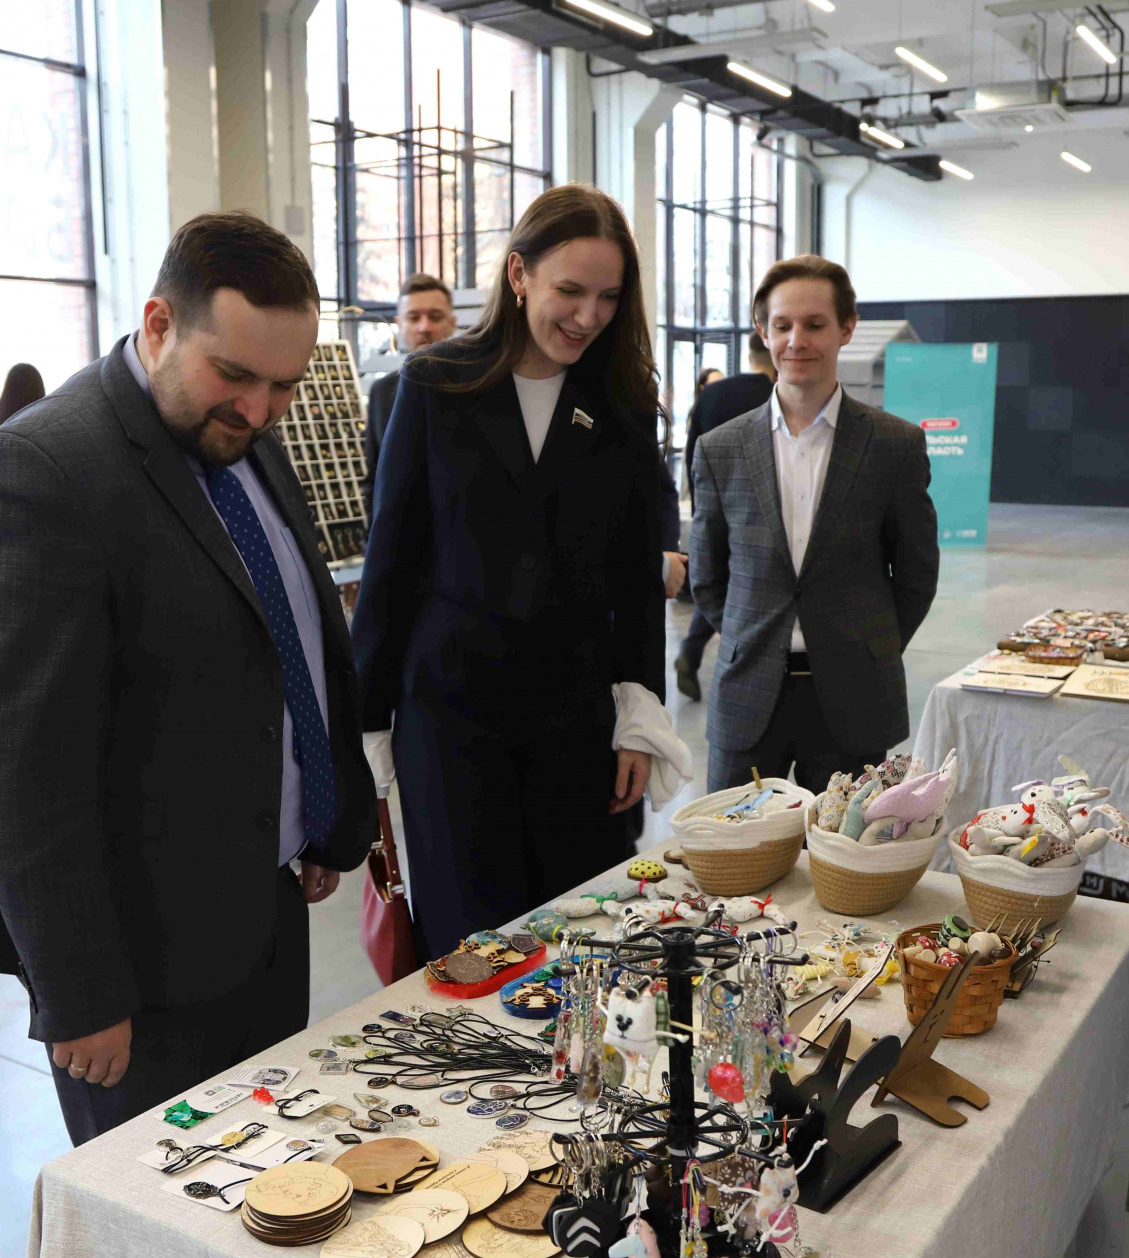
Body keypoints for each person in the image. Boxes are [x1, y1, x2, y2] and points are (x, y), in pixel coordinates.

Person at [0, 212, 378, 1146]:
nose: (260, 409)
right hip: (138, 971)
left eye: (285, 385)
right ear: (158, 324)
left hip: (262, 914)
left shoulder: (244, 438)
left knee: (273, 1179)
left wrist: (324, 814)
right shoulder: (41, 471)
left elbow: (293, 639)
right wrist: (79, 992)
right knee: (164, 1204)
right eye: (235, 375)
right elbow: (21, 770)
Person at [352, 183, 679, 958]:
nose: (588, 316)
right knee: (470, 946)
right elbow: (392, 557)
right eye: (570, 290)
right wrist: (368, 723)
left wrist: (639, 711)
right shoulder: (434, 384)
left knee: (583, 938)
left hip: (577, 721)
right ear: (519, 274)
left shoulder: (623, 400)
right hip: (450, 723)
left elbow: (635, 574)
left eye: (609, 297)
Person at [689, 255, 939, 794]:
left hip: (853, 699)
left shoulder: (894, 446)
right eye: (782, 325)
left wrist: (871, 648)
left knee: (843, 847)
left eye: (815, 324)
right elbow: (707, 576)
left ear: (846, 328)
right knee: (736, 842)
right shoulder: (721, 449)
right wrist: (747, 638)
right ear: (764, 332)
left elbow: (916, 574)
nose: (796, 341)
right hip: (748, 696)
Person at [675, 333, 776, 701]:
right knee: (744, 586)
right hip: (760, 511)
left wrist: (702, 508)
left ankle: (693, 651)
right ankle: (727, 659)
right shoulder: (777, 395)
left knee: (716, 579)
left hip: (713, 505)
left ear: (748, 355)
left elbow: (693, 453)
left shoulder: (712, 394)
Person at [361, 273, 457, 513]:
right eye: (414, 318)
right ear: (400, 324)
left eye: (435, 317)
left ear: (452, 322)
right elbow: (375, 480)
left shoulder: (478, 386)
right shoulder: (381, 393)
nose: (424, 327)